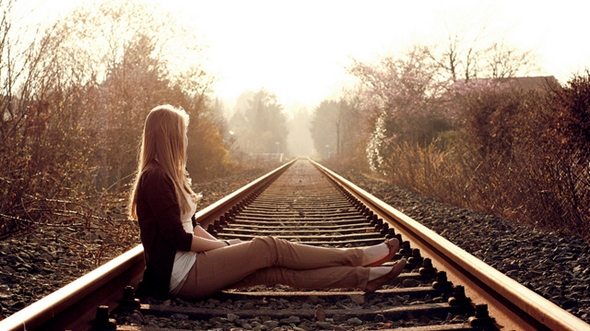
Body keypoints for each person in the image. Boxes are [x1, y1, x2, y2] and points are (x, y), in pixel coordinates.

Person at [129, 105, 406, 300]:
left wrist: (220, 248)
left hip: (193, 267)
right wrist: (223, 246)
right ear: (170, 137)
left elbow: (191, 225)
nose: (187, 139)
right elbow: (178, 238)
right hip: (181, 276)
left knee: (276, 271)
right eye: (183, 133)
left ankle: (364, 278)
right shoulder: (154, 178)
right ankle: (357, 256)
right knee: (269, 247)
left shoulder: (168, 175)